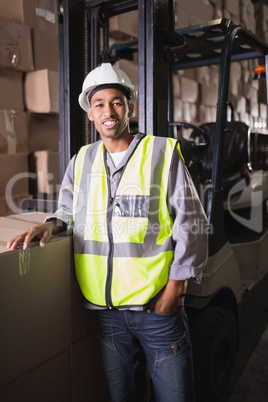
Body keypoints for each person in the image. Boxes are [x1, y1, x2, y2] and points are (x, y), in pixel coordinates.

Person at [7, 63, 208, 402]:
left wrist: (175, 289)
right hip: (107, 315)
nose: (108, 111)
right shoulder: (82, 160)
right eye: (98, 103)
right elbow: (69, 211)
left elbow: (192, 223)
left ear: (130, 107)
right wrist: (51, 223)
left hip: (156, 309)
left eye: (116, 102)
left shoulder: (162, 153)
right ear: (89, 113)